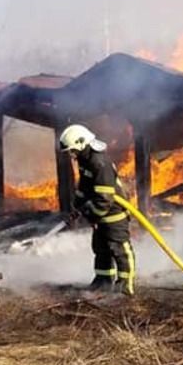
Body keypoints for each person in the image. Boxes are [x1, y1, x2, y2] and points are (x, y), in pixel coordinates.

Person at [58, 124, 137, 294]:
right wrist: (77, 206)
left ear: (81, 143)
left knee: (119, 248)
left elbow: (105, 198)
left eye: (72, 150)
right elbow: (85, 187)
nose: (71, 155)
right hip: (100, 214)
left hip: (114, 214)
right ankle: (103, 281)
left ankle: (125, 284)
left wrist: (90, 215)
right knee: (101, 248)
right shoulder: (84, 160)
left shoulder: (100, 163)